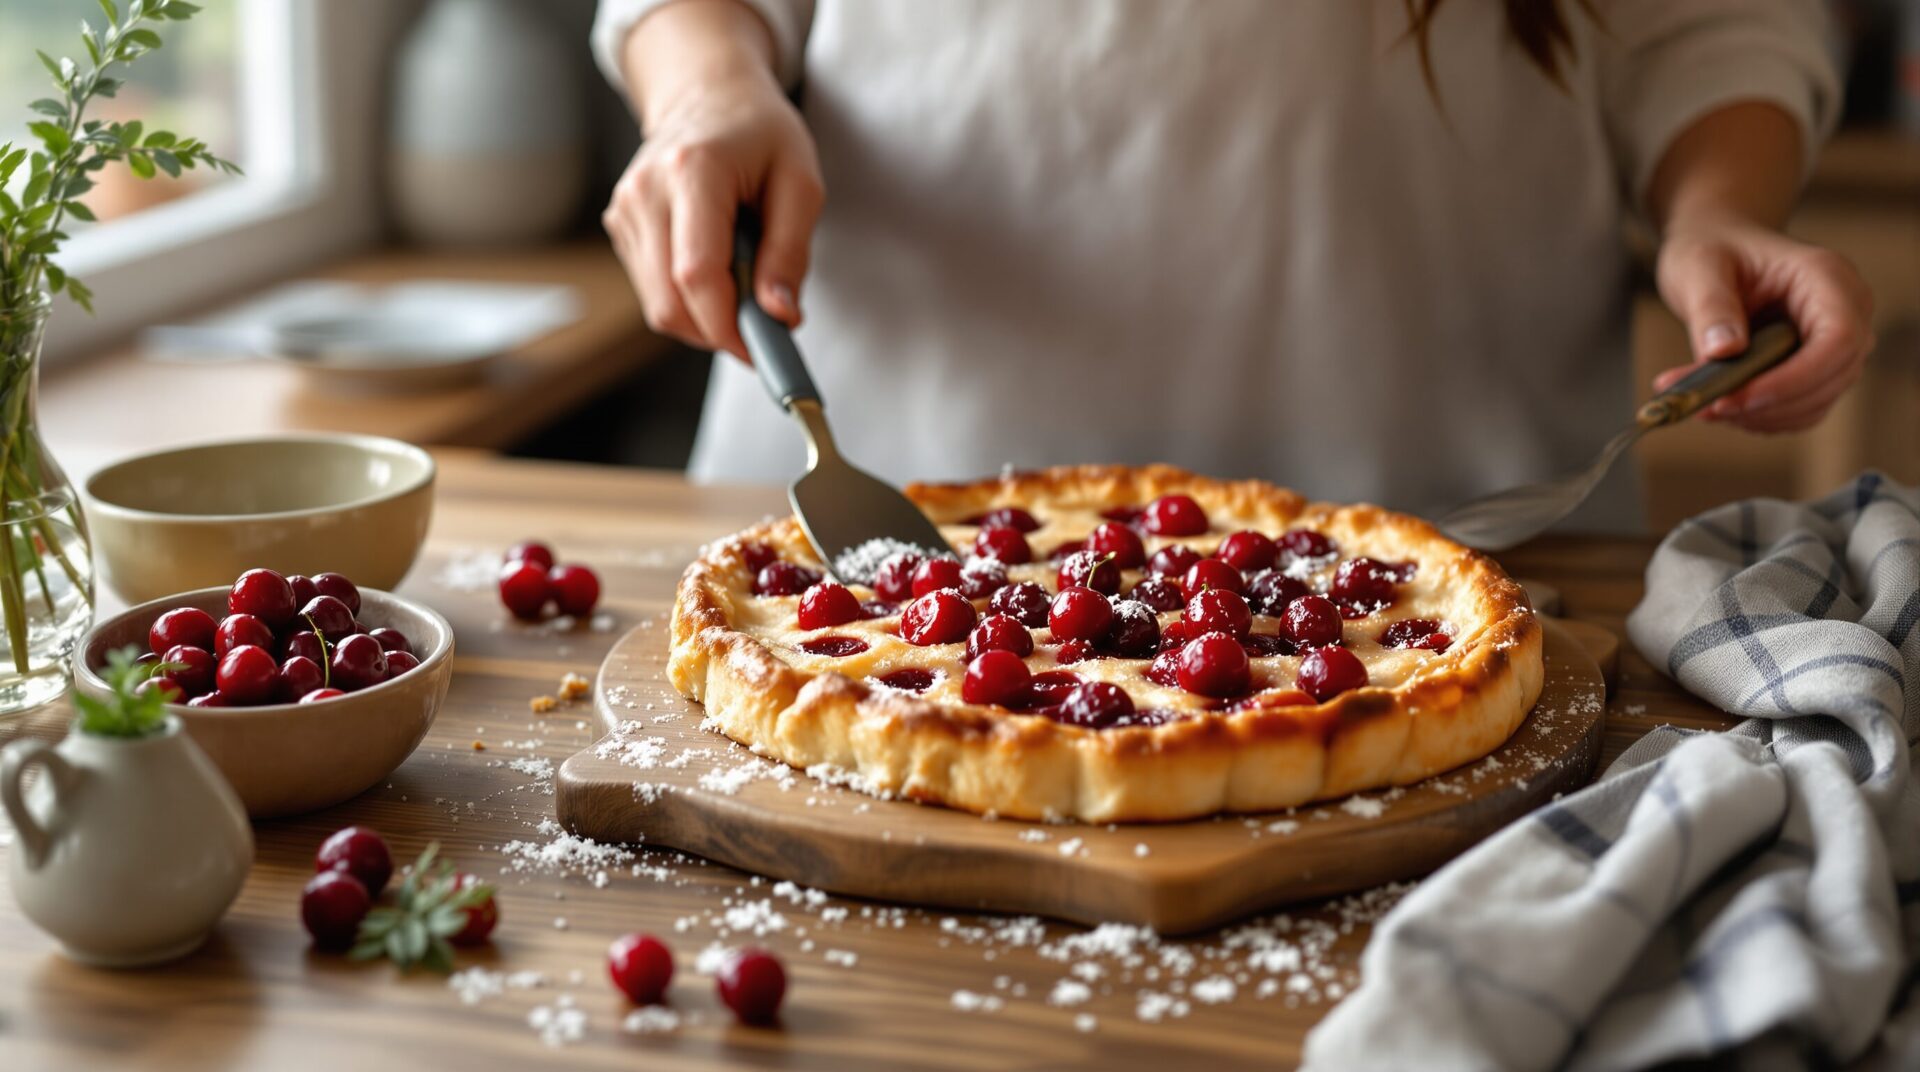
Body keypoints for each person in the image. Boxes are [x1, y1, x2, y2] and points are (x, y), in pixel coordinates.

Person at [592, 0, 1873, 530]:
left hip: (1464, 540)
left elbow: (1713, 24)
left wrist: (1720, 208)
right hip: (869, 543)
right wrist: (706, 92)